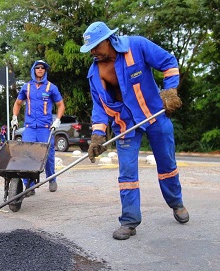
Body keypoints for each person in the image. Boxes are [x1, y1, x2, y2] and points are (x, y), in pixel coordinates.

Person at [80, 21, 188, 240]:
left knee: (167, 164)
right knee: (127, 173)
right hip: (125, 124)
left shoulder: (136, 46)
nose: (92, 52)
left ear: (108, 40)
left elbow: (169, 63)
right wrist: (97, 136)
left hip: (155, 115)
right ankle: (129, 221)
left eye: (95, 47)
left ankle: (176, 203)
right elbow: (99, 107)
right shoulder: (94, 73)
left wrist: (169, 91)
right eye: (89, 49)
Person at [11, 60, 65, 194]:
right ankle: (29, 186)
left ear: (45, 71)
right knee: (27, 155)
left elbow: (61, 105)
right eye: (38, 67)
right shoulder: (26, 87)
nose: (40, 69)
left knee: (48, 155)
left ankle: (51, 180)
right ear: (33, 70)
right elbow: (18, 103)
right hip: (29, 127)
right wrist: (14, 117)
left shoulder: (51, 88)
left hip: (45, 128)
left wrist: (57, 120)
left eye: (43, 68)